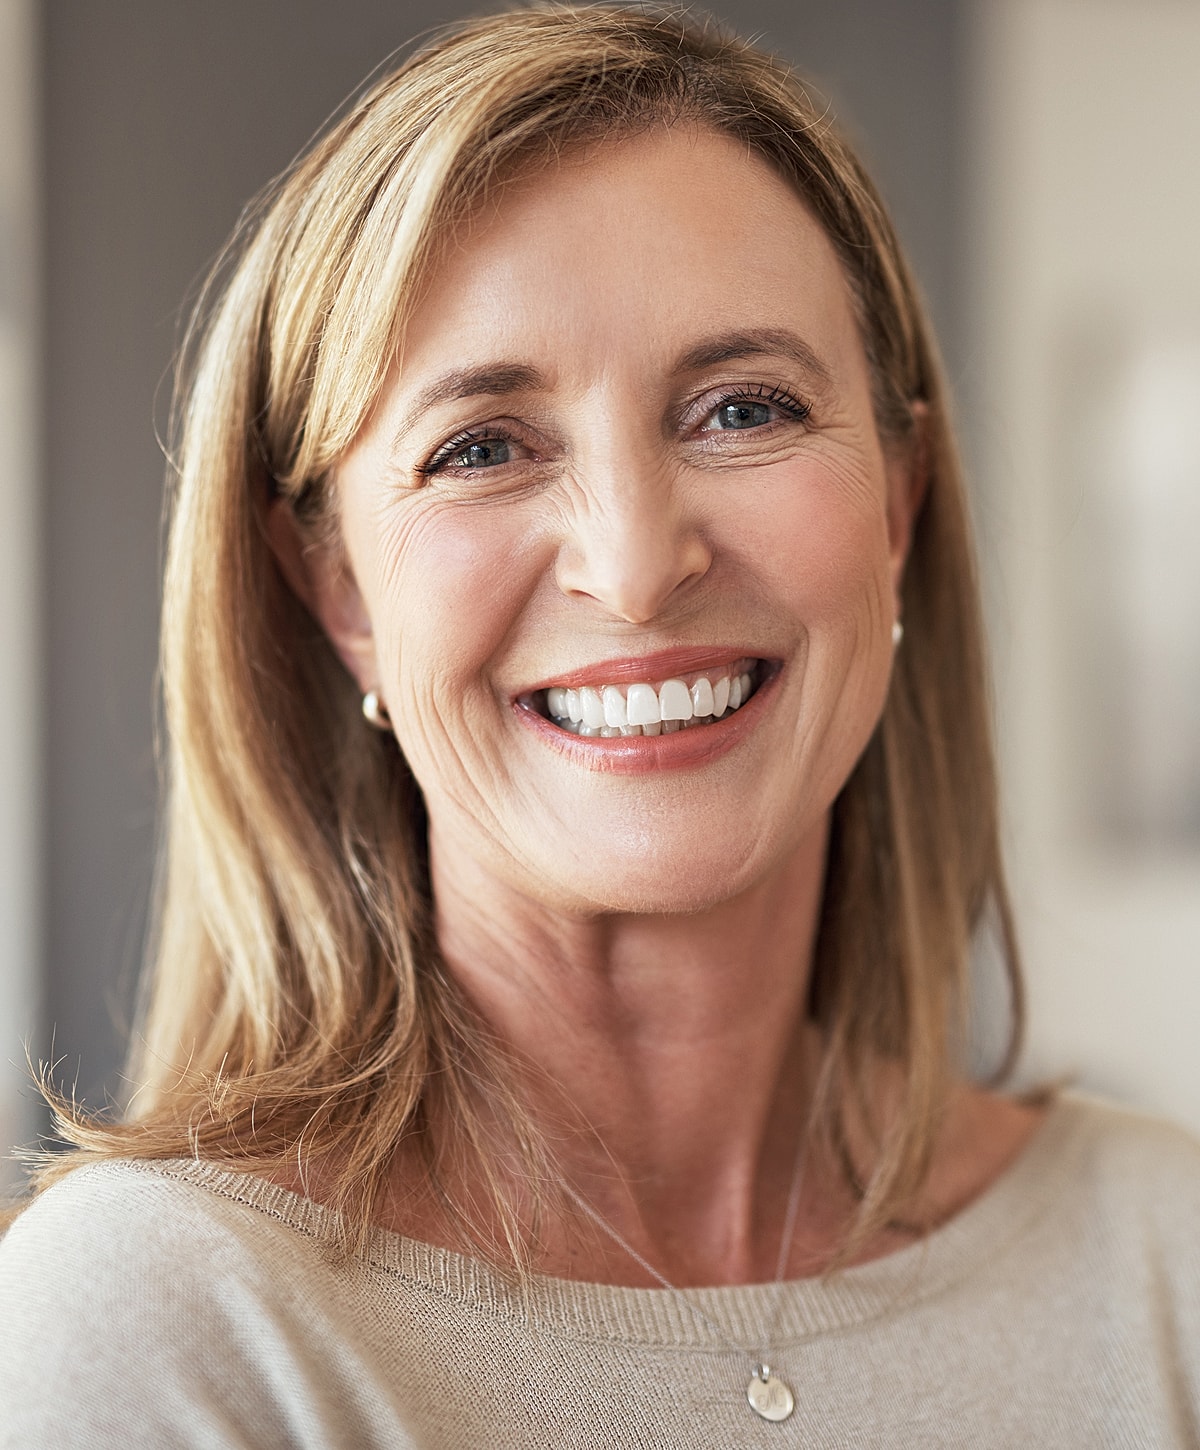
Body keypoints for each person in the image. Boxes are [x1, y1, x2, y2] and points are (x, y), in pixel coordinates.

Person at [3, 6, 1198, 1446]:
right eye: (483, 446)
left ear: (898, 503)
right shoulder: (166, 1317)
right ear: (335, 585)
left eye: (743, 409)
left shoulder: (1163, 1258)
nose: (634, 566)